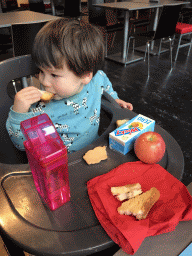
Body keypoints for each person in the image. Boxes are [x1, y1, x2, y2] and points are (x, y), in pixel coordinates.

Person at [6, 18, 133, 153]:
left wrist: (114, 99)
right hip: (61, 165)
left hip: (94, 149)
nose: (43, 82)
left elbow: (104, 83)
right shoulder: (38, 108)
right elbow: (22, 145)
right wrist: (19, 113)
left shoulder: (96, 79)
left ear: (85, 76)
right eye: (41, 71)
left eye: (54, 75)